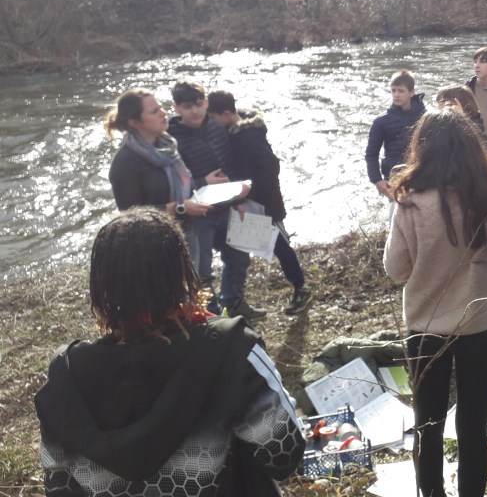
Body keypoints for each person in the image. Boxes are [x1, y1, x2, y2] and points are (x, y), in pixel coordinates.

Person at [34, 207, 304, 497]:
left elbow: (58, 487)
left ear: (102, 285)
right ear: (182, 270)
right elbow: (283, 455)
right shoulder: (231, 348)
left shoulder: (67, 375)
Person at [383, 110, 487, 497]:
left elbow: (396, 270)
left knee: (427, 424)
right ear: (473, 147)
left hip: (426, 326)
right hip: (482, 324)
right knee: (474, 425)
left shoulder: (410, 201)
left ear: (422, 149)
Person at [207, 90, 313, 316]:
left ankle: (301, 289)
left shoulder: (248, 137)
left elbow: (270, 168)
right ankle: (234, 301)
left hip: (262, 203)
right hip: (244, 202)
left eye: (212, 117)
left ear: (226, 114)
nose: (211, 123)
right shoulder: (232, 133)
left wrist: (246, 194)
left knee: (281, 247)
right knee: (246, 248)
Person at [168, 80, 263, 322]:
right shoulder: (170, 139)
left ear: (206, 103)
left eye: (198, 104)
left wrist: (239, 199)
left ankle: (234, 302)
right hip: (198, 214)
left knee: (239, 257)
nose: (194, 111)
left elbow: (230, 163)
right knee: (202, 271)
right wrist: (203, 181)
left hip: (227, 205)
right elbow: (172, 181)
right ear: (177, 108)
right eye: (187, 106)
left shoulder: (217, 129)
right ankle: (213, 317)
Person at [105, 88, 211, 266]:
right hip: (155, 246)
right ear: (134, 122)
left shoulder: (168, 147)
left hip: (187, 232)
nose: (163, 113)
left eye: (161, 107)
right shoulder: (125, 162)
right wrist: (180, 208)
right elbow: (131, 215)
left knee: (194, 281)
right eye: (154, 111)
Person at [365, 69, 426, 198]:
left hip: (422, 177)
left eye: (401, 91)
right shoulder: (381, 122)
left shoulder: (426, 118)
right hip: (394, 179)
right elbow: (371, 154)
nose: (396, 95)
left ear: (412, 92)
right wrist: (377, 180)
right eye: (393, 90)